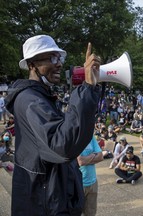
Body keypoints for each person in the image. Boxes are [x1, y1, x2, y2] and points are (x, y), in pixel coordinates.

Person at [5, 35, 101, 215]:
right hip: (46, 205)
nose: (59, 63)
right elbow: (62, 145)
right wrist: (86, 89)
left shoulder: (40, 96)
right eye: (52, 58)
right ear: (32, 64)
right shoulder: (31, 101)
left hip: (51, 200)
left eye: (59, 58)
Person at [77, 136, 103, 216]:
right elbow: (81, 161)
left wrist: (86, 159)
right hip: (79, 184)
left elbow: (101, 157)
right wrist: (93, 155)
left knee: (91, 213)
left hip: (93, 182)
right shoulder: (75, 138)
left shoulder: (91, 138)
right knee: (77, 211)